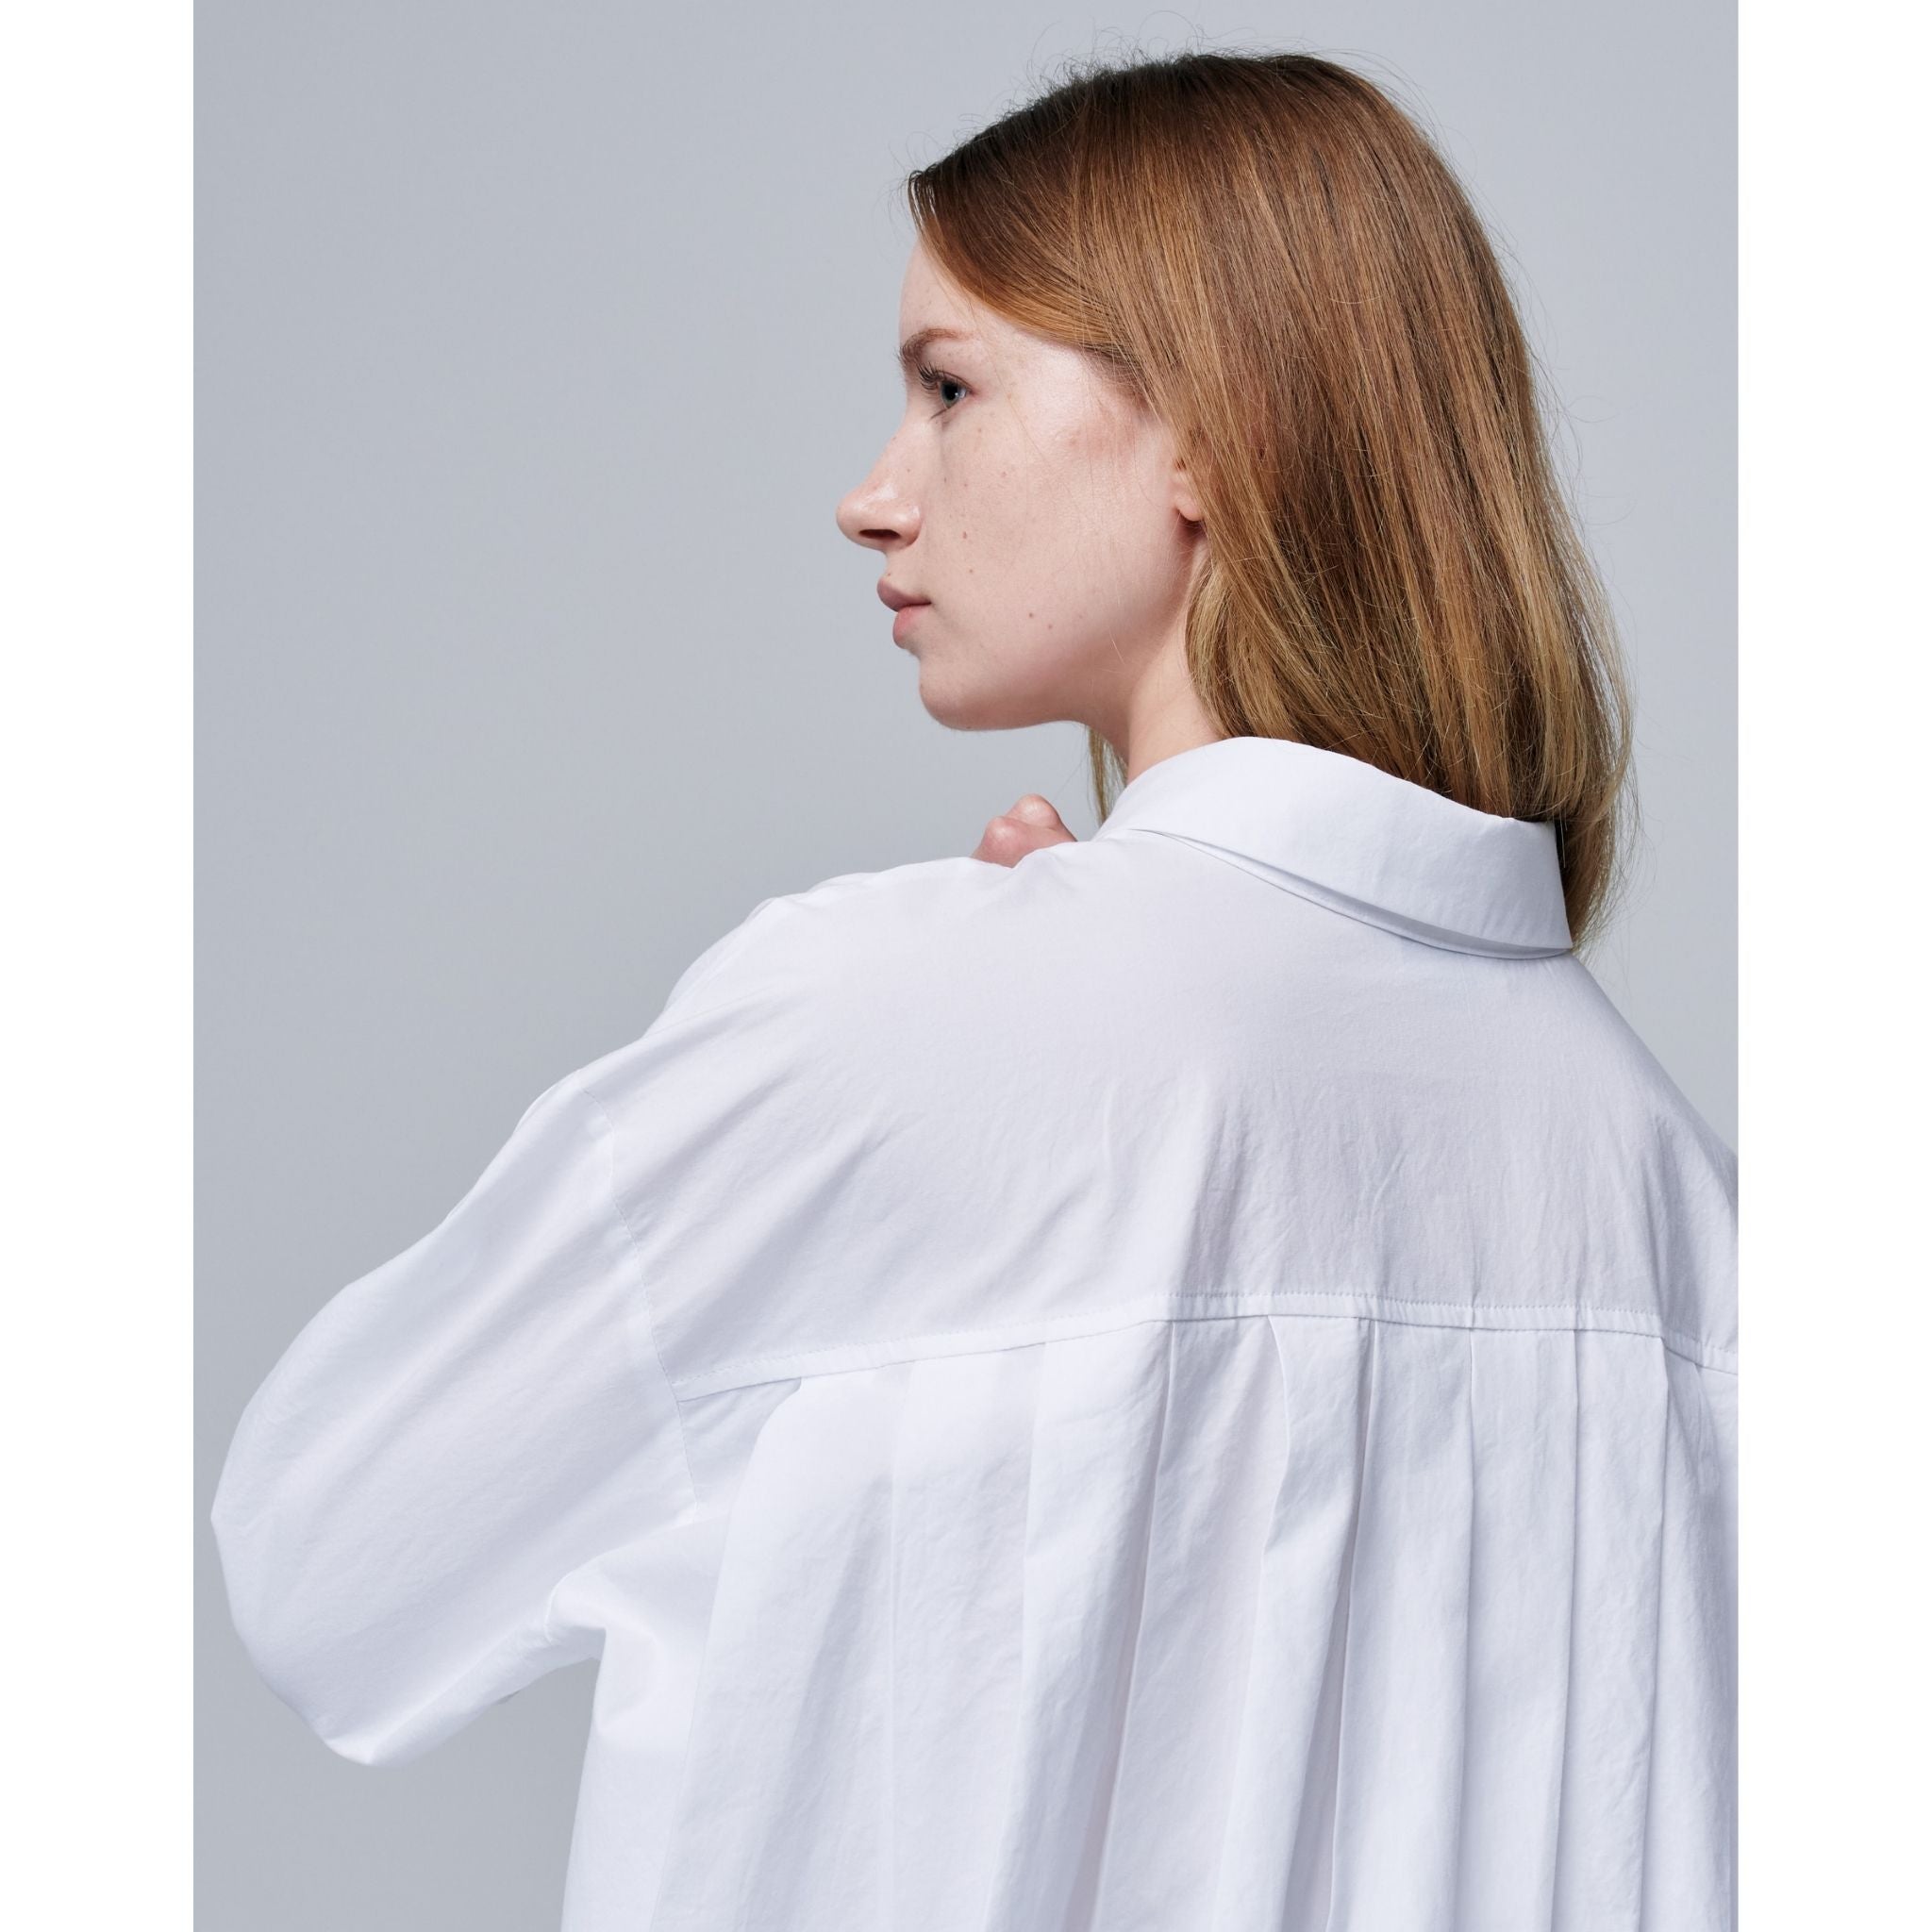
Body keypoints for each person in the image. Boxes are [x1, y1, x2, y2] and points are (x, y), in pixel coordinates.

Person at [211, 48, 1737, 1932]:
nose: (873, 497)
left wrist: (944, 1047)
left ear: (1211, 428)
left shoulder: (893, 1031)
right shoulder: (1677, 1199)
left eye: (950, 387)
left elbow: (332, 1558)